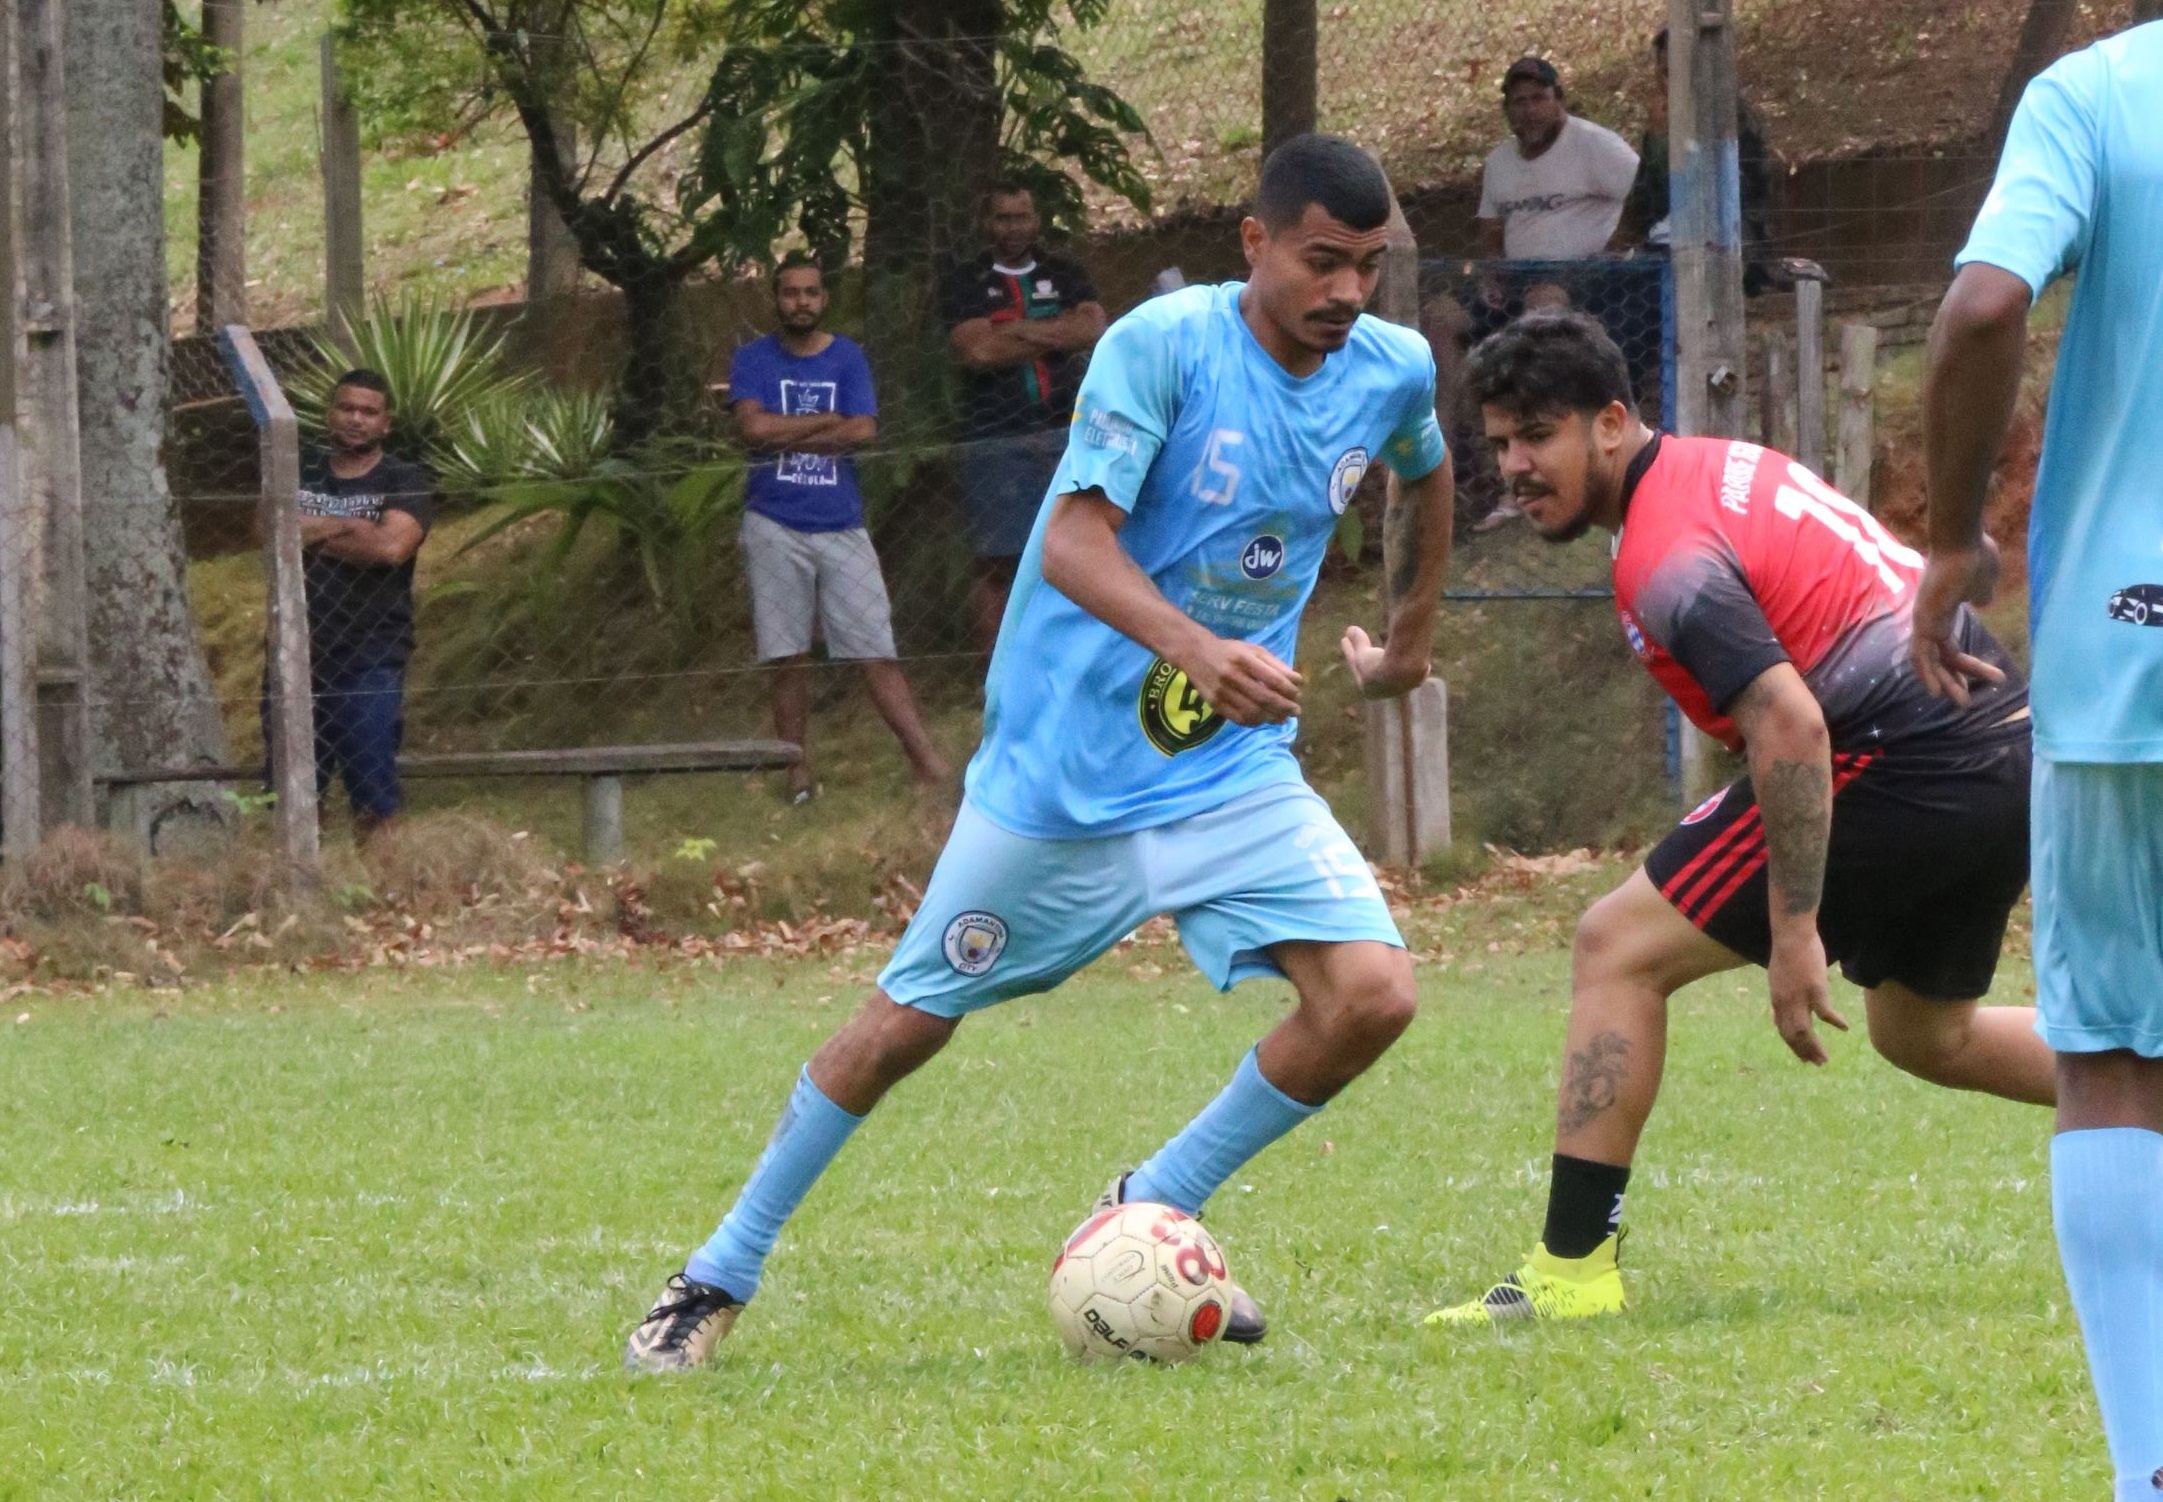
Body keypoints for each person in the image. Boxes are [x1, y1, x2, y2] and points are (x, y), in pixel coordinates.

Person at [624, 134, 1456, 1371]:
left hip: (1227, 770)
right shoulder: (1159, 346)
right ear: (1255, 243)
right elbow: (1070, 543)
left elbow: (1425, 475)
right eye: (1321, 262)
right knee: (901, 1025)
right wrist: (1200, 650)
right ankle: (716, 1272)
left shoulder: (1391, 367)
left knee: (1374, 994)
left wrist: (1406, 641)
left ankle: (1148, 1202)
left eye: (1368, 267)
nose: (1345, 293)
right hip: (1063, 776)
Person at [1427, 312, 2053, 1328]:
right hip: (1999, 738)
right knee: (1925, 1033)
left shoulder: (1666, 553)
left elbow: (1792, 724)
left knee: (1615, 943)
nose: (1516, 466)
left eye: (1537, 435)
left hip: (1902, 749)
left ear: (1614, 422)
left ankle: (1572, 1268)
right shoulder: (1718, 468)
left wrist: (1795, 927)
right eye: (1499, 442)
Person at [1915, 26, 2163, 1499]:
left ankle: (2145, 1468)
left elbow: (1984, 299)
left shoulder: (2093, 94)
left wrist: (1950, 535)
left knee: (2114, 1058)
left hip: (2125, 648)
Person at [730, 255, 950, 802]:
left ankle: (927, 764)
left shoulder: (848, 357)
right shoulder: (753, 359)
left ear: (824, 299)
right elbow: (753, 428)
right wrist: (826, 423)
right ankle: (796, 770)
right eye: (790, 293)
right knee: (787, 655)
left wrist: (793, 433)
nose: (800, 302)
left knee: (875, 646)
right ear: (775, 299)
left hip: (841, 523)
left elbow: (864, 431)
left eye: (810, 293)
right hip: (773, 522)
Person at [1468, 56, 1639, 530]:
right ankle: (1466, 470)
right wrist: (1491, 275)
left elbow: (1644, 191)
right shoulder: (1500, 163)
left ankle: (1546, 466)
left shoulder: (1594, 146)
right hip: (1517, 279)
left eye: (1538, 98)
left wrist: (1618, 244)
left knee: (1543, 304)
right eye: (1517, 102)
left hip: (1588, 277)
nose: (1528, 110)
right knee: (1442, 318)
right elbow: (1489, 230)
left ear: (1559, 99)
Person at [940, 182, 1107, 652]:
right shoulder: (965, 281)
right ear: (985, 223)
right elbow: (977, 348)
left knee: (1078, 546)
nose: (1013, 228)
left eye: (1022, 217)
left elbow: (1093, 327)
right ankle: (1000, 673)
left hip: (1065, 429)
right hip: (994, 434)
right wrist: (1057, 332)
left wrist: (1012, 333)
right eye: (1002, 218)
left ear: (1036, 220)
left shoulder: (1065, 271)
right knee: (997, 559)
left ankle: (1071, 656)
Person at [283, 369, 434, 837]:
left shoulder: (405, 478)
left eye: (368, 412)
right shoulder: (299, 469)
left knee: (373, 794)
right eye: (346, 408)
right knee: (290, 796)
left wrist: (309, 528)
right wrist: (353, 528)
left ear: (385, 424)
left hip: (370, 656)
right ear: (330, 413)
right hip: (294, 651)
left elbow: (390, 548)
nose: (356, 419)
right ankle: (300, 893)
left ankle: (385, 896)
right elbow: (266, 530)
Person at [1625, 27, 1776, 291]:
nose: (1672, 83)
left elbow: (1709, 197)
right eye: (1665, 73)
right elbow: (1645, 204)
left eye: (1681, 71)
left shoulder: (1730, 117)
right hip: (1663, 244)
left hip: (1723, 244)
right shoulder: (1661, 121)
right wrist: (1656, 138)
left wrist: (1662, 143)